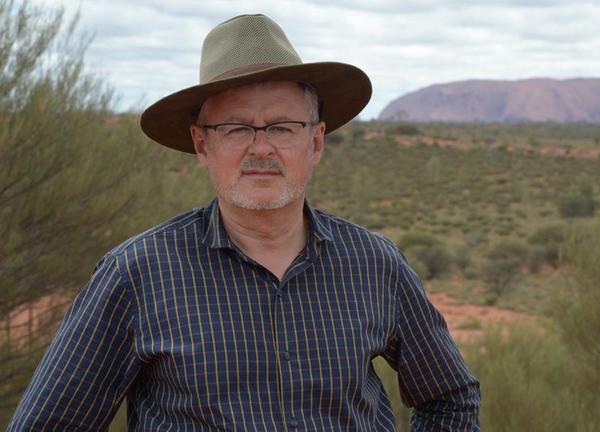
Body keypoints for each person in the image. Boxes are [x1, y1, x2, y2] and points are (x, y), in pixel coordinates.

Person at [8, 14, 480, 431]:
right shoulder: (136, 273)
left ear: (315, 142)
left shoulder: (374, 263)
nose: (260, 148)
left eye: (281, 127)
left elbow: (450, 399)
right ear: (201, 144)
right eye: (235, 128)